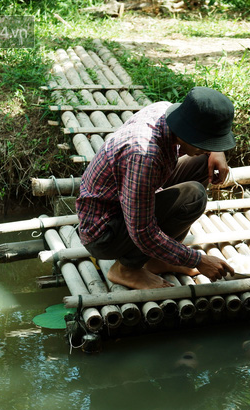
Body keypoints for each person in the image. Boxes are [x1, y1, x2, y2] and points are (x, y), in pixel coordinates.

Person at [76, 86, 235, 290]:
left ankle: (154, 259)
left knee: (203, 163)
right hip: (105, 232)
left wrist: (215, 152)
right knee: (193, 196)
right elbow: (143, 232)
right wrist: (197, 260)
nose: (208, 148)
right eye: (205, 143)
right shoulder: (144, 155)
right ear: (187, 133)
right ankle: (126, 269)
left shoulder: (165, 111)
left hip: (130, 202)